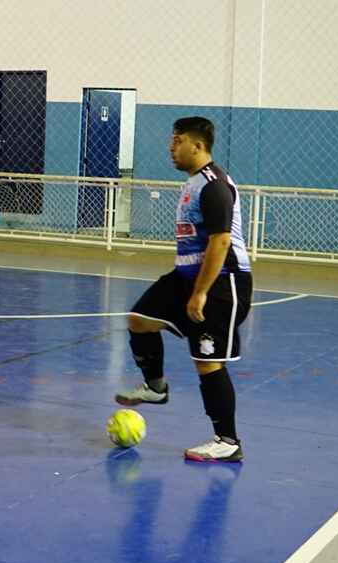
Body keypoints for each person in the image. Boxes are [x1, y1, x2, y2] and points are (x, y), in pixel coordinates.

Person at [114, 116, 253, 463]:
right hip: (185, 276)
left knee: (207, 363)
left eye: (177, 141)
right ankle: (156, 387)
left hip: (222, 282)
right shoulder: (192, 182)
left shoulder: (214, 185)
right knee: (139, 319)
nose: (170, 147)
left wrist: (201, 292)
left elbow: (221, 242)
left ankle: (228, 440)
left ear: (198, 145)